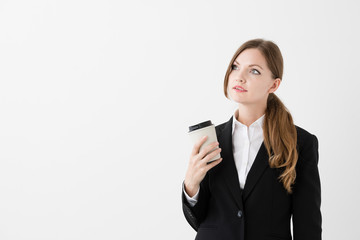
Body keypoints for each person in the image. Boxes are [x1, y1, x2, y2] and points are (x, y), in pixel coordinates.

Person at [182, 38, 322, 240]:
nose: (239, 77)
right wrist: (191, 186)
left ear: (274, 85)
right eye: (235, 67)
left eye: (254, 71)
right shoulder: (212, 138)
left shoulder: (300, 142)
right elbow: (199, 220)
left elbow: (307, 226)